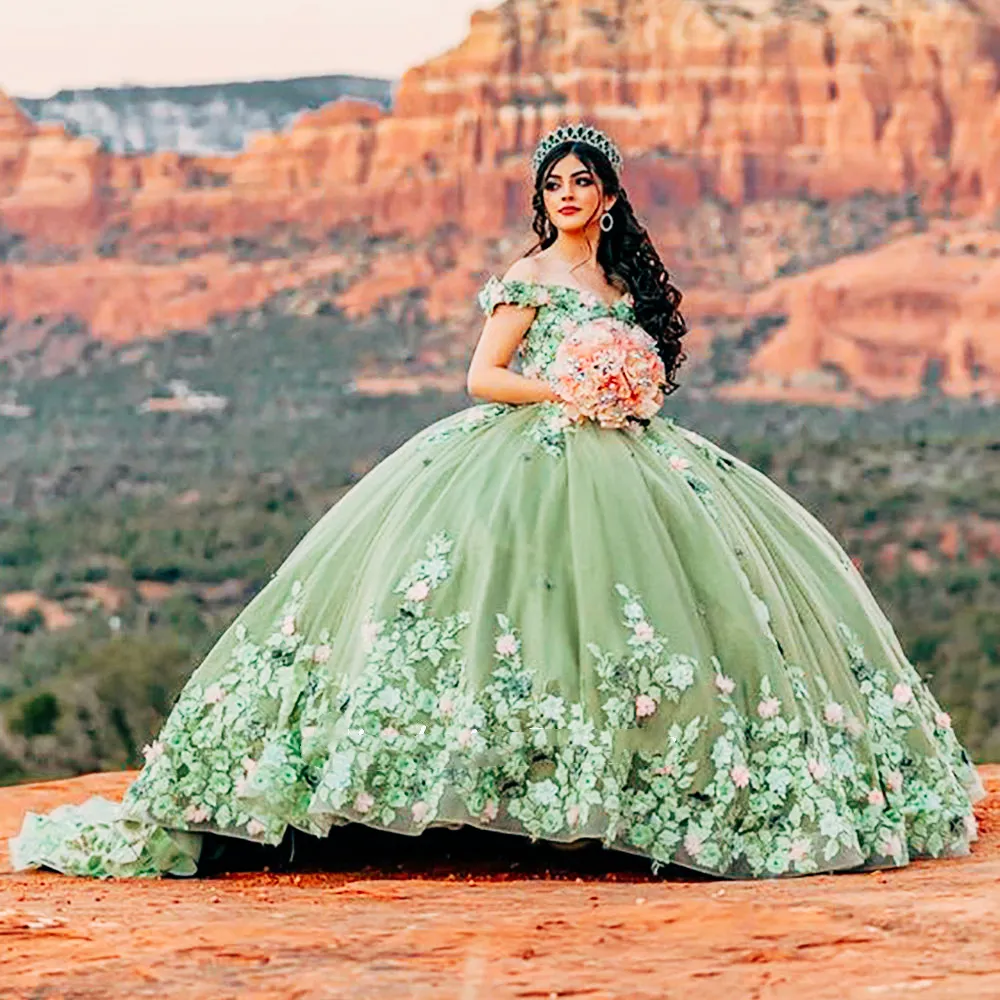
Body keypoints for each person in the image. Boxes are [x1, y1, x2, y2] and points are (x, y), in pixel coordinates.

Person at [9, 123, 983, 880]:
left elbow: (646, 361)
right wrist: (570, 389)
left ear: (606, 196)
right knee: (501, 606)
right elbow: (485, 374)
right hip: (531, 446)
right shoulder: (527, 276)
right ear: (543, 199)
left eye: (582, 181)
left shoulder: (622, 282)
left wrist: (627, 390)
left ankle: (623, 791)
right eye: (553, 183)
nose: (567, 195)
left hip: (637, 455)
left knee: (652, 613)